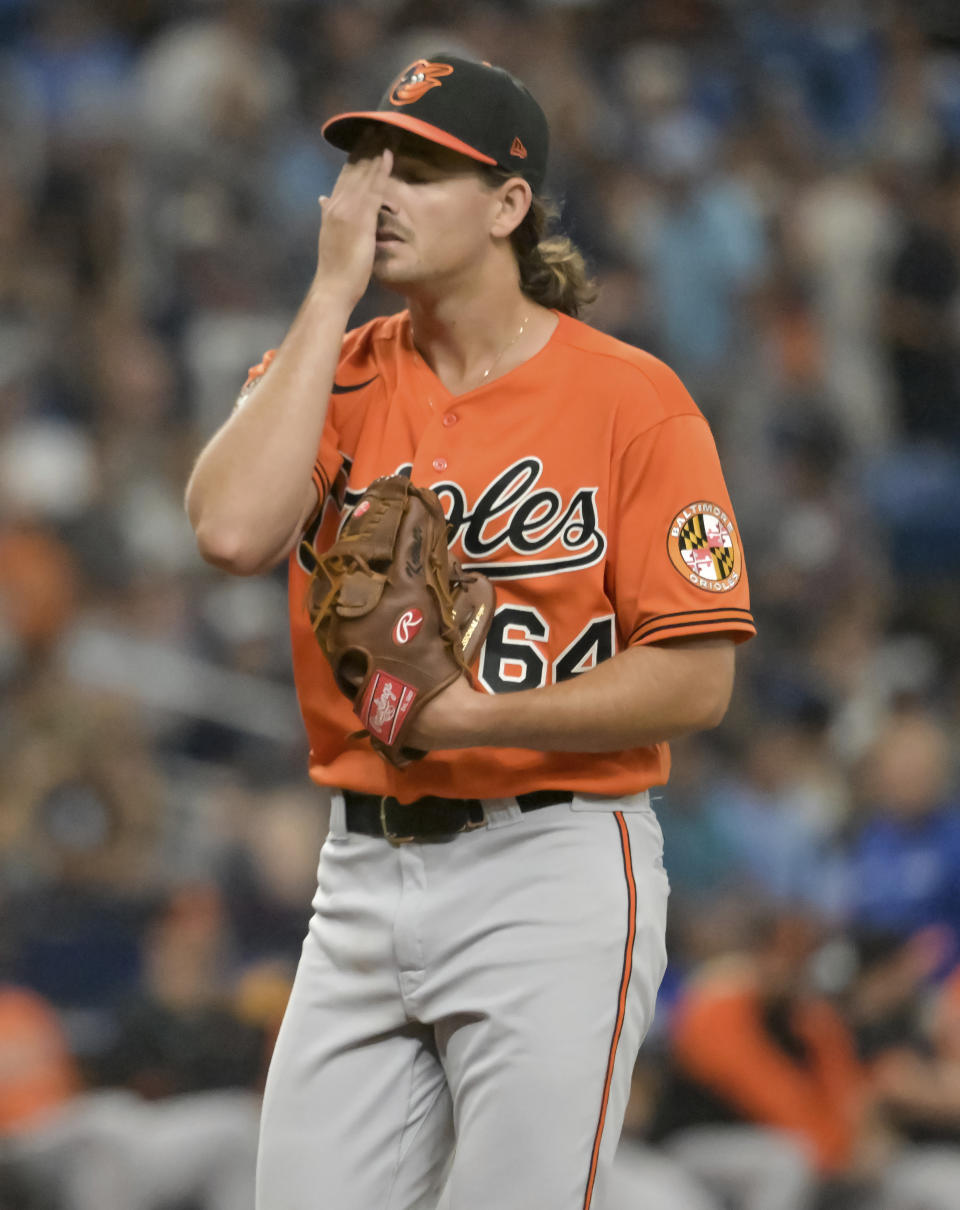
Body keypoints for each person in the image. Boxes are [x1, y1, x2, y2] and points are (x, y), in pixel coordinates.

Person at [186, 52, 756, 1210]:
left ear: (510, 205)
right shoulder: (324, 371)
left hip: (552, 860)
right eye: (367, 163)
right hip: (359, 870)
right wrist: (329, 295)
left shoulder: (632, 399)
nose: (378, 191)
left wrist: (478, 715)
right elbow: (235, 532)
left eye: (423, 168)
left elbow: (697, 681)